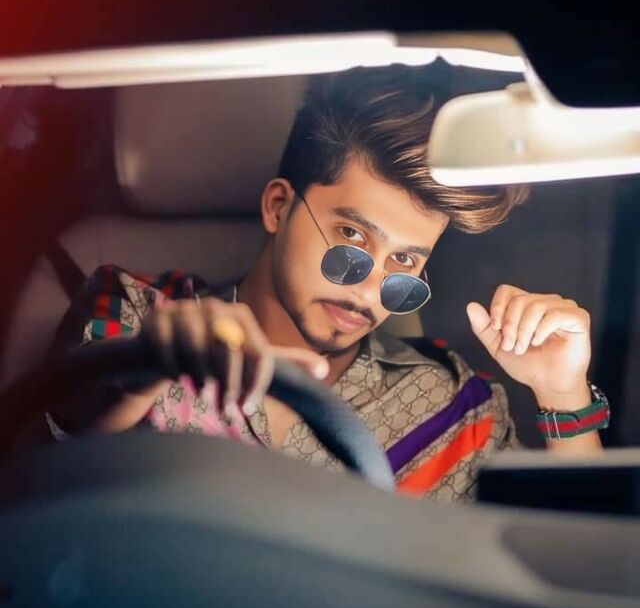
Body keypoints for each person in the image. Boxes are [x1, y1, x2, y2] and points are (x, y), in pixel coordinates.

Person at [48, 65, 609, 503]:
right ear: (278, 206)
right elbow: (65, 443)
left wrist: (562, 393)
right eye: (351, 239)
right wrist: (149, 371)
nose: (368, 292)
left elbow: (583, 559)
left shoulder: (453, 409)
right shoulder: (136, 315)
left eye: (404, 263)